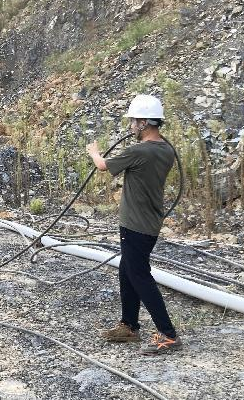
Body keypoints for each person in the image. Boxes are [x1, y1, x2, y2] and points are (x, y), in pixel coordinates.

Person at [86, 94, 181, 355]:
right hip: (148, 222)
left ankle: (168, 334)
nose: (130, 126)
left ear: (144, 123)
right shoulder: (166, 150)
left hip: (136, 225)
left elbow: (103, 166)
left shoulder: (139, 151)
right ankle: (129, 325)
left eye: (133, 121)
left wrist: (94, 152)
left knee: (139, 275)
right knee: (127, 270)